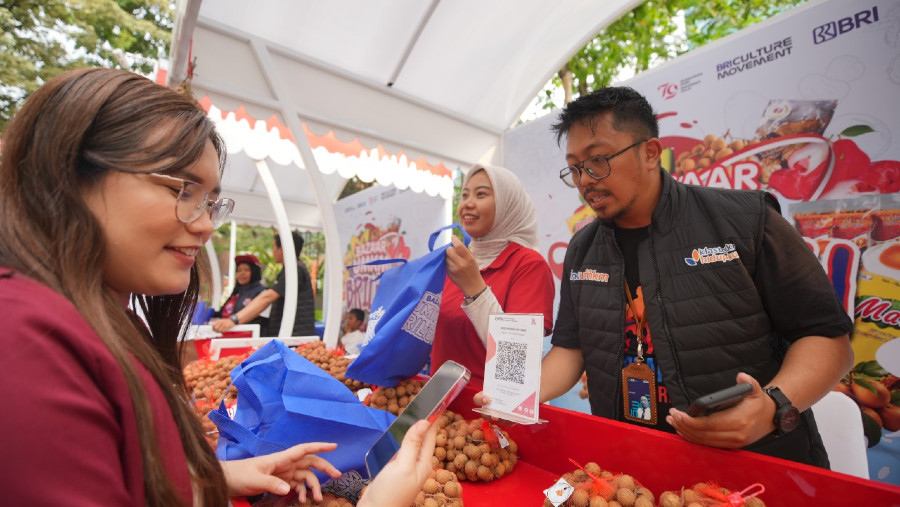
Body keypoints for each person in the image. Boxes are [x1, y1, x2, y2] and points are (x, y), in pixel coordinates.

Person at [0, 67, 437, 506]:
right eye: (183, 190)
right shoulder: (25, 347)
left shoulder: (103, 320)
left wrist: (217, 477)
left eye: (210, 201)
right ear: (71, 176)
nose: (206, 224)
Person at [520, 86, 854, 467]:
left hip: (758, 468)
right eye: (576, 168)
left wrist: (772, 408)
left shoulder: (747, 222)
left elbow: (828, 339)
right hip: (631, 470)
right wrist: (517, 392)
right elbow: (571, 349)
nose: (585, 181)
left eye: (598, 160)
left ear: (649, 153)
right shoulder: (582, 249)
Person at [430, 164, 556, 389]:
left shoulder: (529, 265)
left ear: (508, 204)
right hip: (438, 406)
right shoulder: (458, 261)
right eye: (465, 195)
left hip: (488, 415)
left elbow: (517, 363)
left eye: (481, 194)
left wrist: (474, 289)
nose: (467, 203)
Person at [213, 230, 316, 337]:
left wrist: (233, 320)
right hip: (288, 335)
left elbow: (267, 298)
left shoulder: (295, 270)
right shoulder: (290, 270)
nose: (273, 251)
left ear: (282, 248)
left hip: (294, 337)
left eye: (274, 247)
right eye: (239, 270)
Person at [210, 254, 270, 331]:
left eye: (246, 270)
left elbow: (262, 322)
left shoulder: (263, 292)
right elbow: (223, 314)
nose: (242, 273)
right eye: (239, 270)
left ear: (255, 272)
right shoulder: (237, 292)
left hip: (248, 338)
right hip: (227, 334)